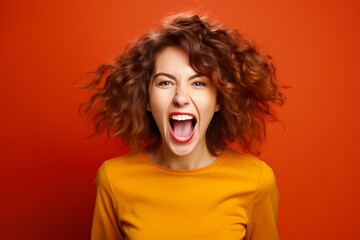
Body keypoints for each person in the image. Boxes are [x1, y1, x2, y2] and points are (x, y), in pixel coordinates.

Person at [79, 11, 286, 240]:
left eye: (198, 83)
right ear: (146, 99)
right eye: (165, 82)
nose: (180, 98)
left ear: (219, 99)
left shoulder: (256, 181)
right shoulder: (114, 179)